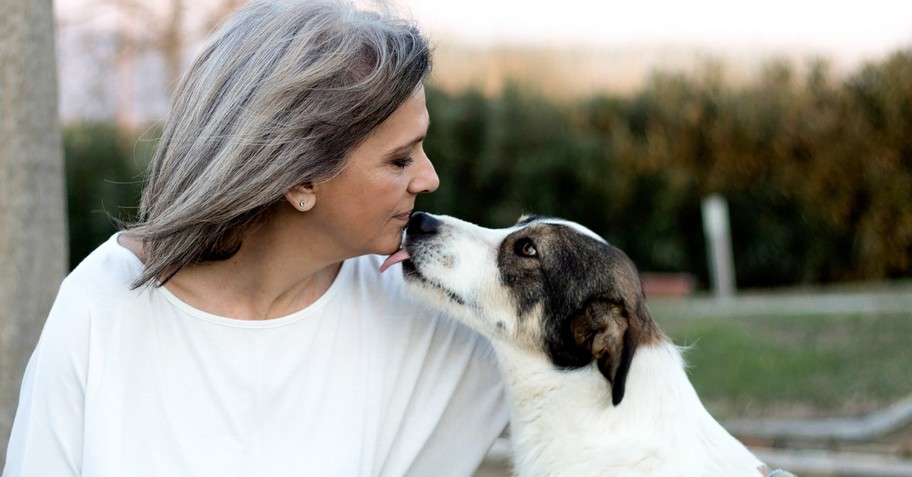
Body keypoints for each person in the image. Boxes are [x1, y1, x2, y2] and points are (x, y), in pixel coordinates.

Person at [3, 1, 508, 475]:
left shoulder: (431, 314)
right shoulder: (99, 309)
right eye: (400, 159)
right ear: (300, 179)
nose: (429, 178)